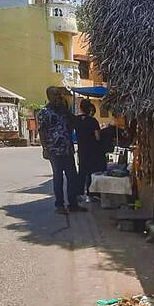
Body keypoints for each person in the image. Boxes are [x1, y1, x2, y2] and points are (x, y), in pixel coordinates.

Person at [37, 86, 87, 214]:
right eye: (55, 94)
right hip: (54, 150)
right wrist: (45, 149)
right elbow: (42, 131)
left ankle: (73, 204)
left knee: (72, 177)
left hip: (68, 149)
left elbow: (75, 122)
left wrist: (65, 109)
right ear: (48, 96)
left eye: (59, 94)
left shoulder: (64, 110)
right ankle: (59, 205)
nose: (58, 97)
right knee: (58, 178)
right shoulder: (44, 112)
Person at [74, 99, 101, 199]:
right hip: (92, 149)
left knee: (81, 171)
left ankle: (79, 193)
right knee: (90, 171)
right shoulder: (93, 121)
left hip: (81, 149)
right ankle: (91, 193)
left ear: (80, 108)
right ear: (90, 108)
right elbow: (97, 137)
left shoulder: (76, 120)